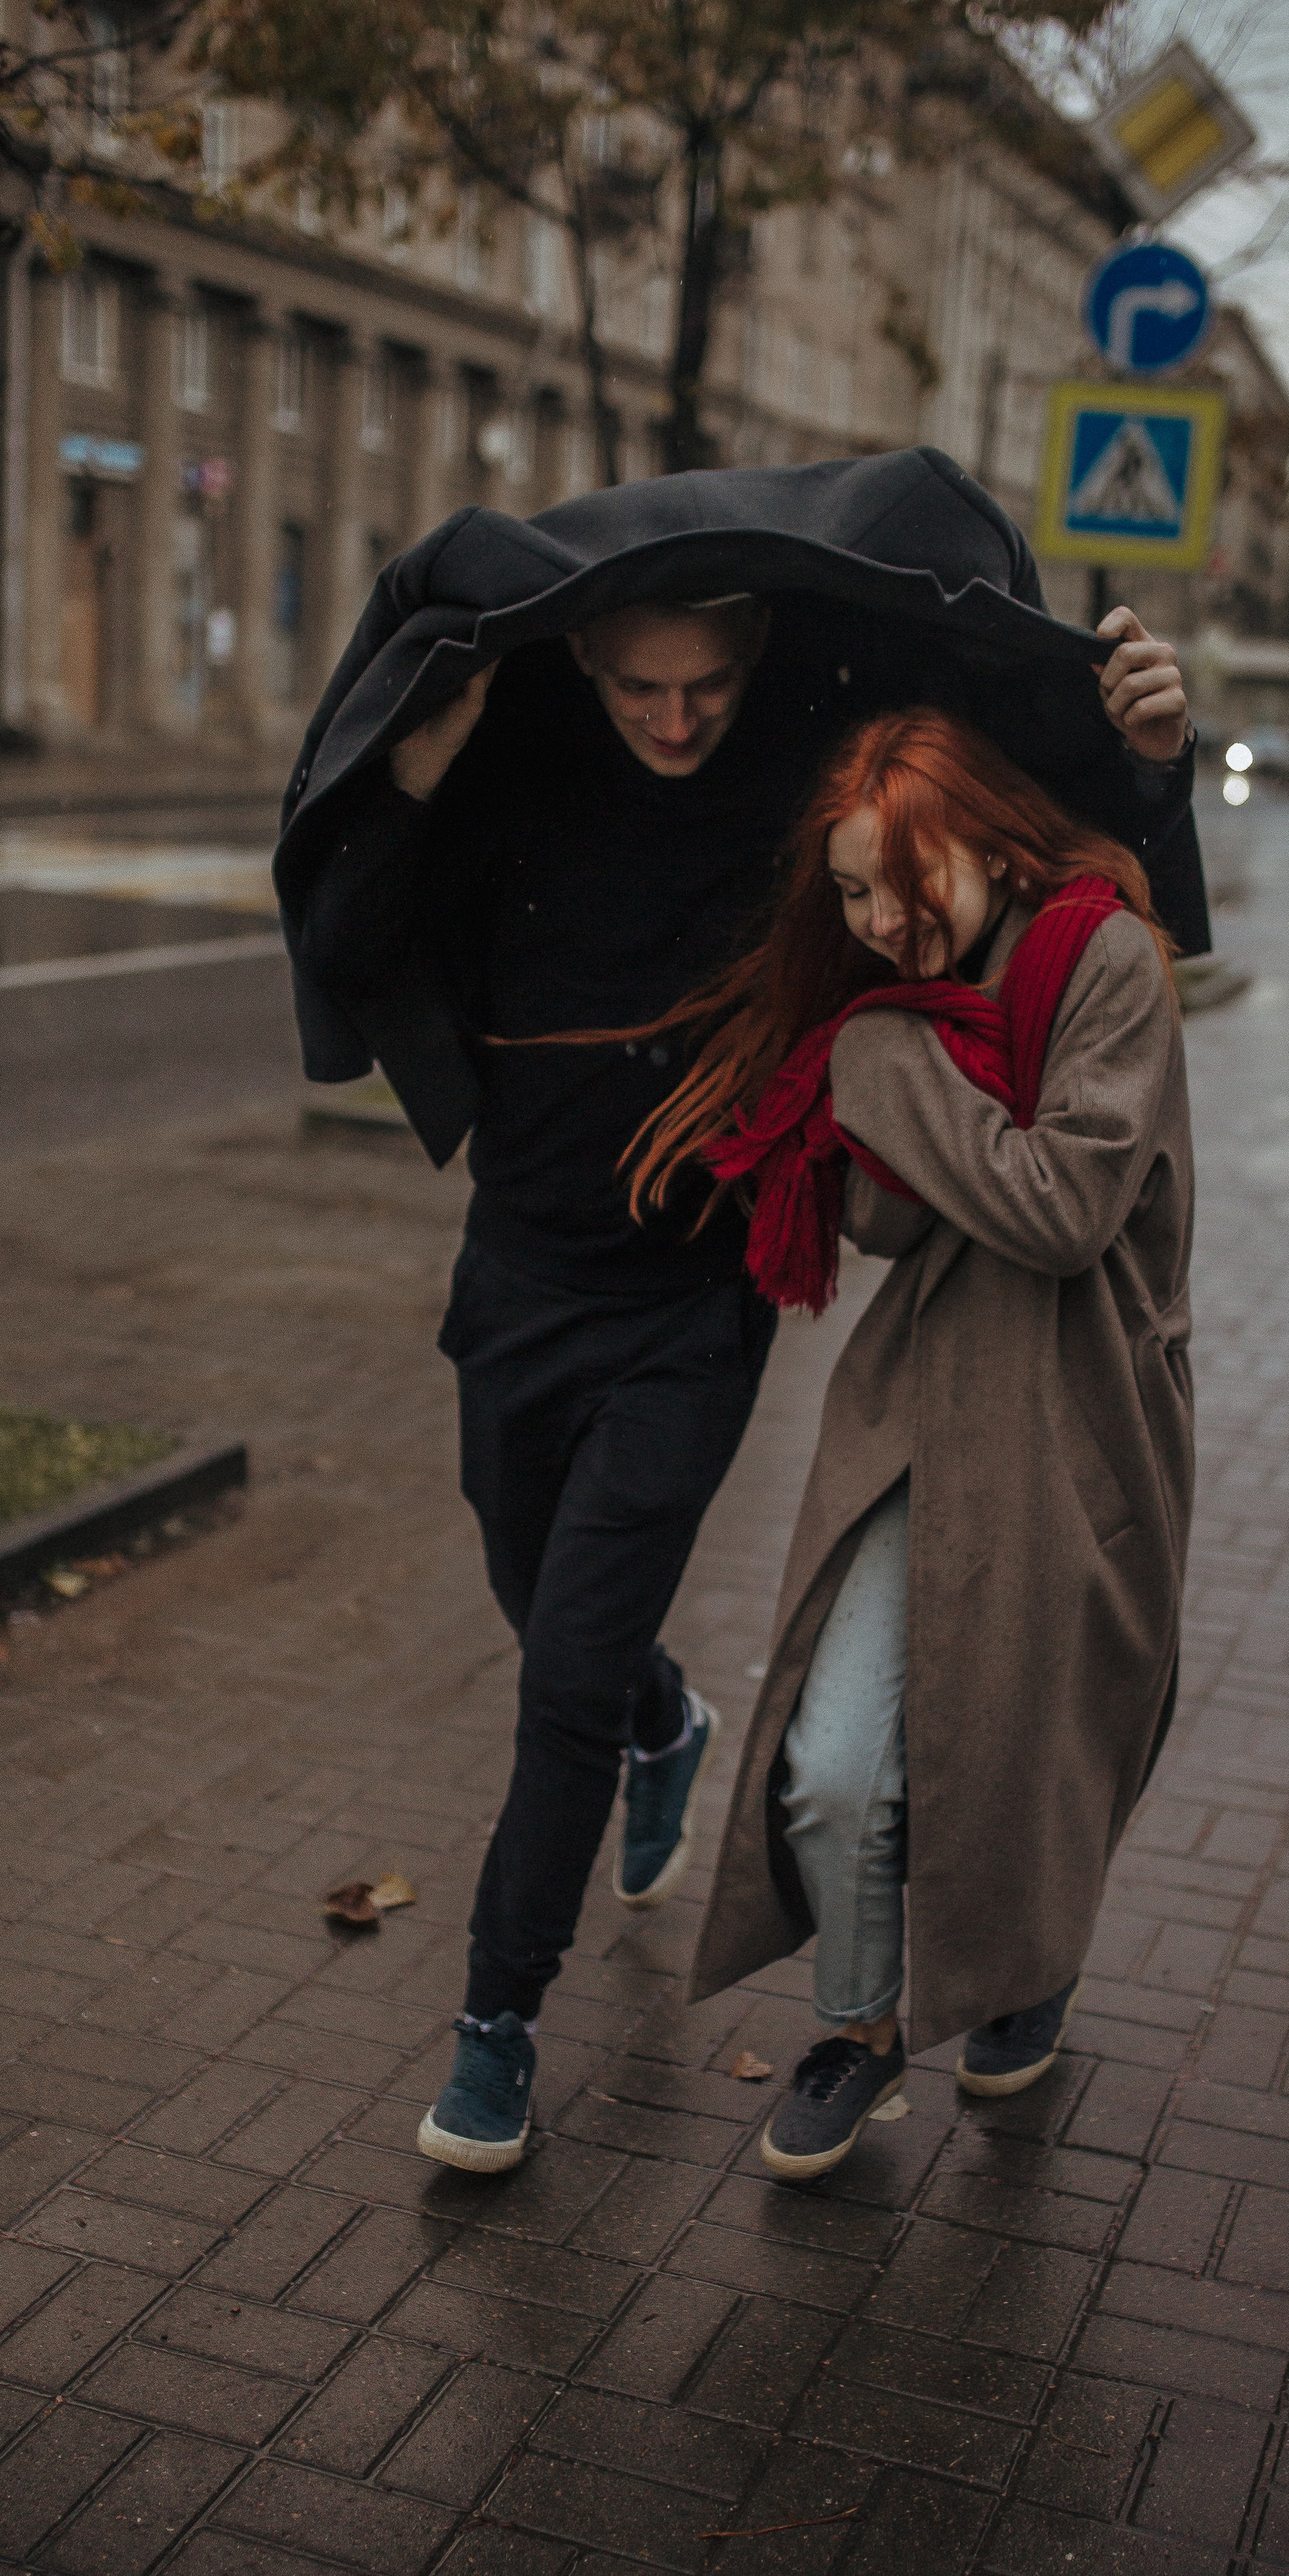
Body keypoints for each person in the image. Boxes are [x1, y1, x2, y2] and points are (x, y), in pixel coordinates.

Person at [278, 508, 1194, 2178]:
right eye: (642, 684)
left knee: (586, 1674)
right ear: (581, 659)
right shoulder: (511, 762)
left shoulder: (838, 802)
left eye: (709, 683)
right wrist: (406, 775)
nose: (677, 717)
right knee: (539, 1600)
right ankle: (659, 1725)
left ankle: (500, 2030)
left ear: (752, 665)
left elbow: (994, 813)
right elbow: (347, 953)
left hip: (704, 1313)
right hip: (524, 1281)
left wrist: (1149, 763)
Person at [599, 704, 1194, 2179]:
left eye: (901, 886)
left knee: (1025, 1742)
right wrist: (885, 1063)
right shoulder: (901, 1010)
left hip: (1075, 1420)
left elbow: (1060, 1209)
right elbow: (879, 1216)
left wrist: (880, 1064)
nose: (876, 922)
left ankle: (1023, 1963)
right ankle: (856, 2034)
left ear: (989, 840)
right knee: (829, 1763)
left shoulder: (1103, 962)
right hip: (919, 1410)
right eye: (852, 892)